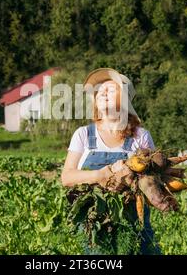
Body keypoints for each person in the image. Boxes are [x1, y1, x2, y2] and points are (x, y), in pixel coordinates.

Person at [61, 68, 161, 255]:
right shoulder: (83, 135)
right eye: (100, 90)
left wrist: (127, 179)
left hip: (133, 224)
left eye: (111, 89)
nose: (102, 93)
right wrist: (100, 175)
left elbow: (153, 180)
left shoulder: (141, 137)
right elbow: (67, 177)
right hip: (96, 227)